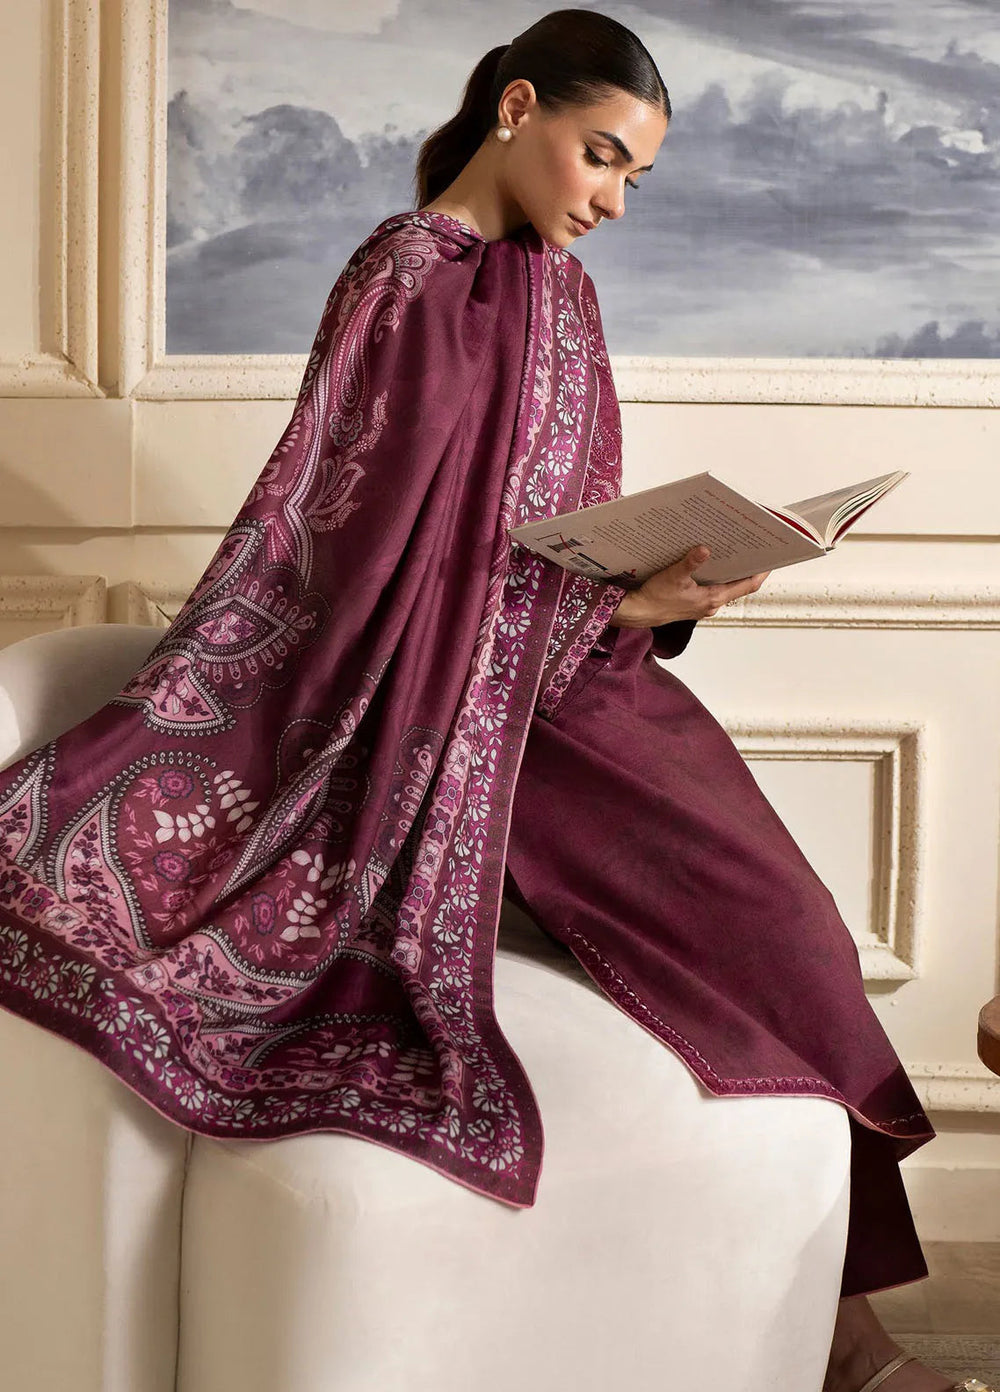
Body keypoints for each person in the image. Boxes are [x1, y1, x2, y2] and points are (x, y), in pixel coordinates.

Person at [0, 9, 989, 1392]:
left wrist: (654, 597)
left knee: (796, 938)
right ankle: (857, 1355)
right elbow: (360, 552)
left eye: (638, 176)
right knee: (770, 942)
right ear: (518, 108)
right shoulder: (406, 279)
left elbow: (539, 533)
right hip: (448, 711)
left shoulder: (558, 291)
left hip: (577, 684)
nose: (614, 200)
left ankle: (837, 1337)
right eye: (603, 156)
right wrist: (601, 608)